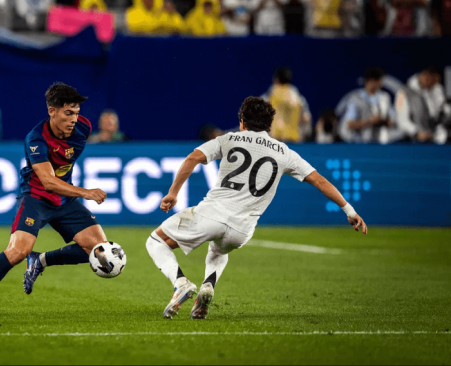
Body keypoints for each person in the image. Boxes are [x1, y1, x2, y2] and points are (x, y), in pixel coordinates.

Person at [146, 96, 367, 320]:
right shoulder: (284, 152)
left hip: (212, 215)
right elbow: (319, 180)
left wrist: (173, 192)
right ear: (269, 125)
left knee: (155, 241)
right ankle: (208, 286)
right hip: (242, 231)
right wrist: (349, 210)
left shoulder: (229, 139)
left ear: (242, 121)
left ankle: (180, 283)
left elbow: (194, 157)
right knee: (218, 250)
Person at [0, 83, 110, 315]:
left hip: (64, 201)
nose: (74, 120)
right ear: (52, 111)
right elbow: (47, 181)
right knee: (18, 251)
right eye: (68, 113)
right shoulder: (36, 139)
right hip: (37, 198)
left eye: (76, 113)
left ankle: (42, 261)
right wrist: (85, 192)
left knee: (100, 251)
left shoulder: (83, 127)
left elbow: (64, 162)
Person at [338, 67, 396, 144]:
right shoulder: (356, 99)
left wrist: (382, 121)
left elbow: (391, 120)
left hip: (379, 141)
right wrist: (370, 121)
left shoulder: (384, 97)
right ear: (371, 81)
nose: (381, 83)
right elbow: (350, 124)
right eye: (379, 81)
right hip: (360, 143)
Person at [395, 66, 450, 144]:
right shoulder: (402, 93)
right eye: (433, 81)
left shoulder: (437, 89)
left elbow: (441, 112)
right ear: (424, 76)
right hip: (413, 141)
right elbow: (402, 121)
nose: (434, 85)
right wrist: (417, 132)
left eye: (436, 83)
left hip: (436, 140)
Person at [260, 67, 312, 143]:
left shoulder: (270, 95)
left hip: (274, 141)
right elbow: (306, 118)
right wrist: (306, 134)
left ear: (276, 79)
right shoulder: (297, 96)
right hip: (294, 141)